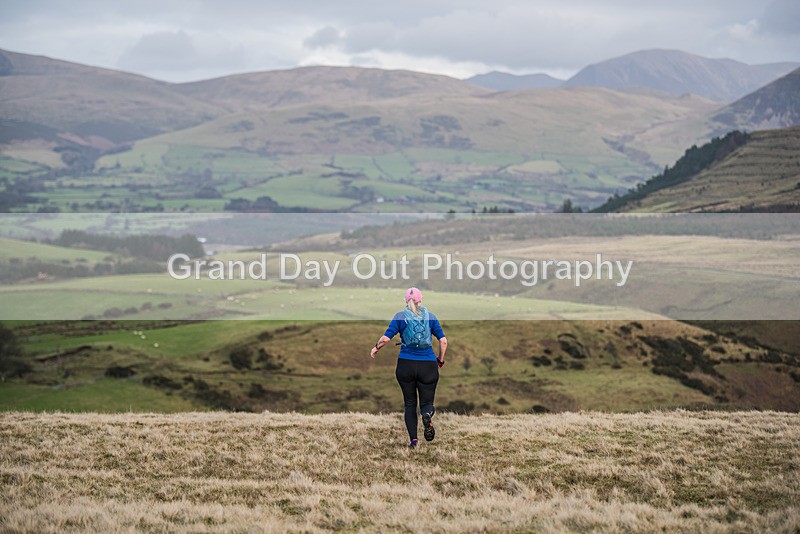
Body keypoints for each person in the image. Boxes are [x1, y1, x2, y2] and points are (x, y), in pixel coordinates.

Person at [370, 287, 447, 449]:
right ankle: (426, 415)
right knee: (427, 402)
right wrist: (440, 359)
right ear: (421, 300)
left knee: (410, 403)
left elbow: (385, 338)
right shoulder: (431, 317)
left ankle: (413, 441)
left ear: (406, 301)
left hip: (405, 365)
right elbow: (443, 341)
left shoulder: (400, 317)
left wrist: (376, 348)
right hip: (428, 365)